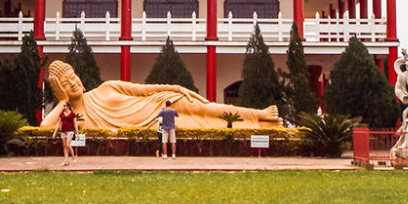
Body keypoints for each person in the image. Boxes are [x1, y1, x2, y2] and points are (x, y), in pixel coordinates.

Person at [41, 61, 279, 130]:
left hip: (159, 103)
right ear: (60, 88)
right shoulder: (73, 113)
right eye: (66, 83)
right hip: (153, 126)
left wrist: (176, 88)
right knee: (207, 126)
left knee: (208, 109)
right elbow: (43, 128)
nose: (73, 83)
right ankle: (258, 123)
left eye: (73, 76)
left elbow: (145, 89)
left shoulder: (107, 87)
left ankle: (260, 114)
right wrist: (62, 99)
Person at [50, 102, 79, 166]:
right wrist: (55, 132)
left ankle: (73, 157)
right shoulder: (62, 114)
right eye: (63, 106)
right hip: (63, 132)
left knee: (68, 145)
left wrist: (77, 133)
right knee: (65, 146)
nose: (64, 107)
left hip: (70, 131)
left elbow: (75, 124)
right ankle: (65, 160)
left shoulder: (72, 114)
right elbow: (58, 123)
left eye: (65, 105)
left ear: (68, 106)